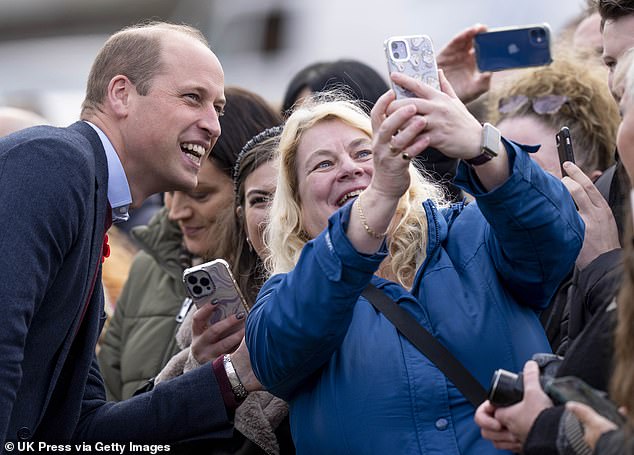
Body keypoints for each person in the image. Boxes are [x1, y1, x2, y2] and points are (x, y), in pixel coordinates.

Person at [245, 67, 583, 454]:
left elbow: (558, 237)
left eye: (363, 152)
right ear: (298, 210)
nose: (351, 169)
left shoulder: (468, 235)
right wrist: (378, 195)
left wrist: (480, 144)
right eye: (323, 164)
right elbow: (275, 356)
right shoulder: (283, 298)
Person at [0, 21, 261, 446]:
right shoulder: (53, 161)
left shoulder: (87, 195)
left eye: (219, 108)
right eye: (193, 98)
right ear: (121, 94)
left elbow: (82, 431)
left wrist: (231, 376)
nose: (213, 125)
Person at [473, 47, 634, 455]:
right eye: (490, 171)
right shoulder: (467, 266)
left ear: (592, 184)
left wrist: (602, 271)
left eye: (528, 176)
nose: (504, 193)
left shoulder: (606, 266)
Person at [98, 86, 282, 401]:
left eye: (200, 195)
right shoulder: (147, 267)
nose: (176, 211)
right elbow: (102, 402)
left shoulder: (286, 283)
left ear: (255, 193)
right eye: (169, 189)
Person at [155, 127, 295, 455]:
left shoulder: (354, 305)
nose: (276, 214)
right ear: (241, 217)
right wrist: (207, 373)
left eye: (287, 195)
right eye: (259, 200)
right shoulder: (210, 318)